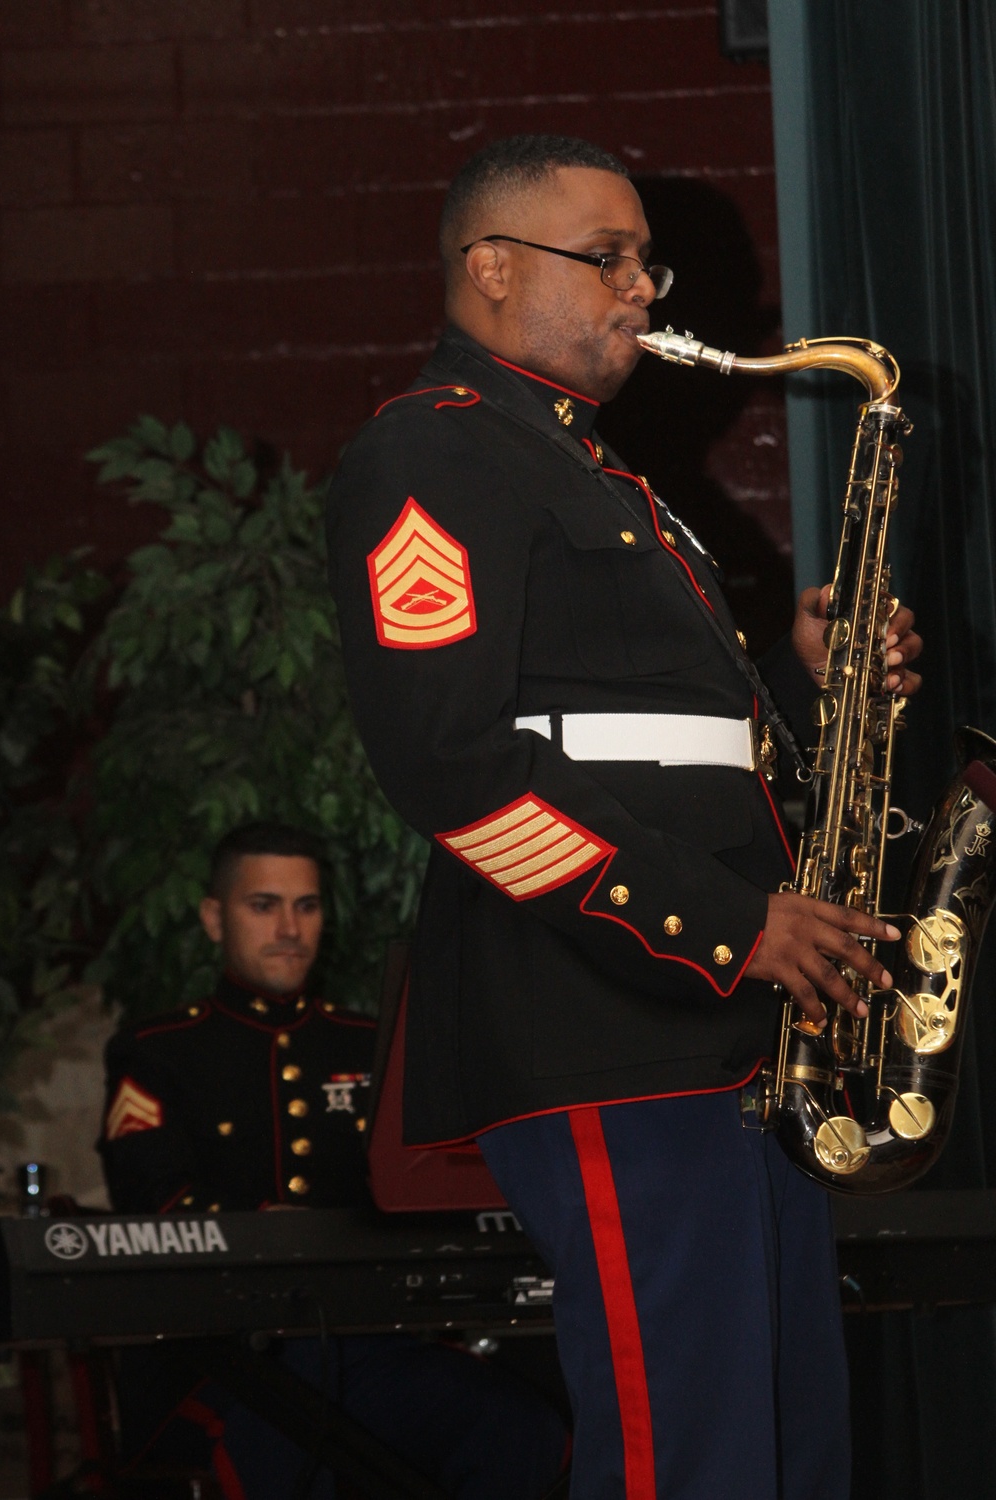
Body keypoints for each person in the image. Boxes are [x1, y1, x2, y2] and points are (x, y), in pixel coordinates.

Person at [323, 135, 923, 1500]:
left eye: (643, 260)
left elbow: (654, 743)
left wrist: (797, 681)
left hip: (718, 1023)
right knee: (688, 1458)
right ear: (487, 269)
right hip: (606, 1017)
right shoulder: (434, 450)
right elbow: (451, 764)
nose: (644, 288)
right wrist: (729, 928)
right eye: (608, 258)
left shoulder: (597, 474)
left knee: (782, 1450)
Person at [98, 821, 570, 1500]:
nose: (289, 927)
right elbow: (155, 1203)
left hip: (370, 1343)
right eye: (263, 905)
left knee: (514, 1425)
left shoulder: (368, 1042)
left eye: (307, 906)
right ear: (213, 918)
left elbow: (428, 1189)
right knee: (293, 1447)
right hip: (222, 1359)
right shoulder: (160, 1051)